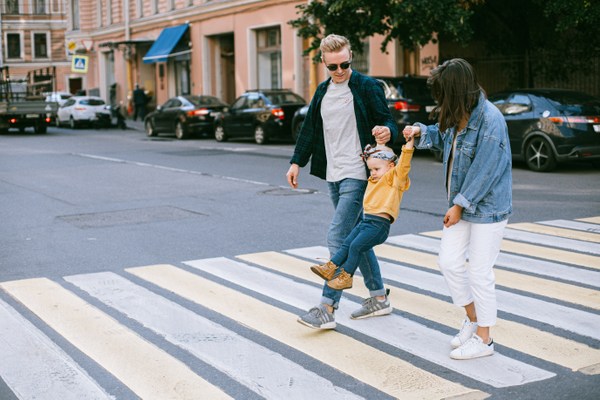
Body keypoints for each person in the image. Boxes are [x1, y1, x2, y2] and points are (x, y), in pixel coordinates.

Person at [286, 33, 398, 330]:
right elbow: (310, 129)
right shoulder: (323, 92)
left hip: (359, 172)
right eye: (333, 66)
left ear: (351, 58)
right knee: (356, 238)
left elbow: (388, 121)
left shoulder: (366, 86)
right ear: (323, 62)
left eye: (345, 64)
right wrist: (297, 162)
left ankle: (326, 307)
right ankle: (379, 298)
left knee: (338, 238)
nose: (340, 71)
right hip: (333, 173)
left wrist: (387, 132)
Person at [403, 58, 512, 360]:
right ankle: (473, 318)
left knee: (479, 271)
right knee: (448, 262)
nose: (439, 100)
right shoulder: (455, 113)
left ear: (455, 90)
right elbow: (440, 137)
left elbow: (486, 170)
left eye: (442, 93)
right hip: (460, 205)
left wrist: (460, 205)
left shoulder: (490, 121)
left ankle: (485, 340)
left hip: (487, 208)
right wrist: (418, 131)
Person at [311, 140, 414, 294]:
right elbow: (376, 160)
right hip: (367, 222)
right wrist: (378, 146)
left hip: (379, 226)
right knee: (347, 243)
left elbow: (404, 164)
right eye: (371, 169)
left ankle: (346, 276)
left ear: (391, 167)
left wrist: (409, 145)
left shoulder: (394, 179)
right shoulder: (374, 180)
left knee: (355, 247)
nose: (373, 173)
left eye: (376, 169)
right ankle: (330, 267)